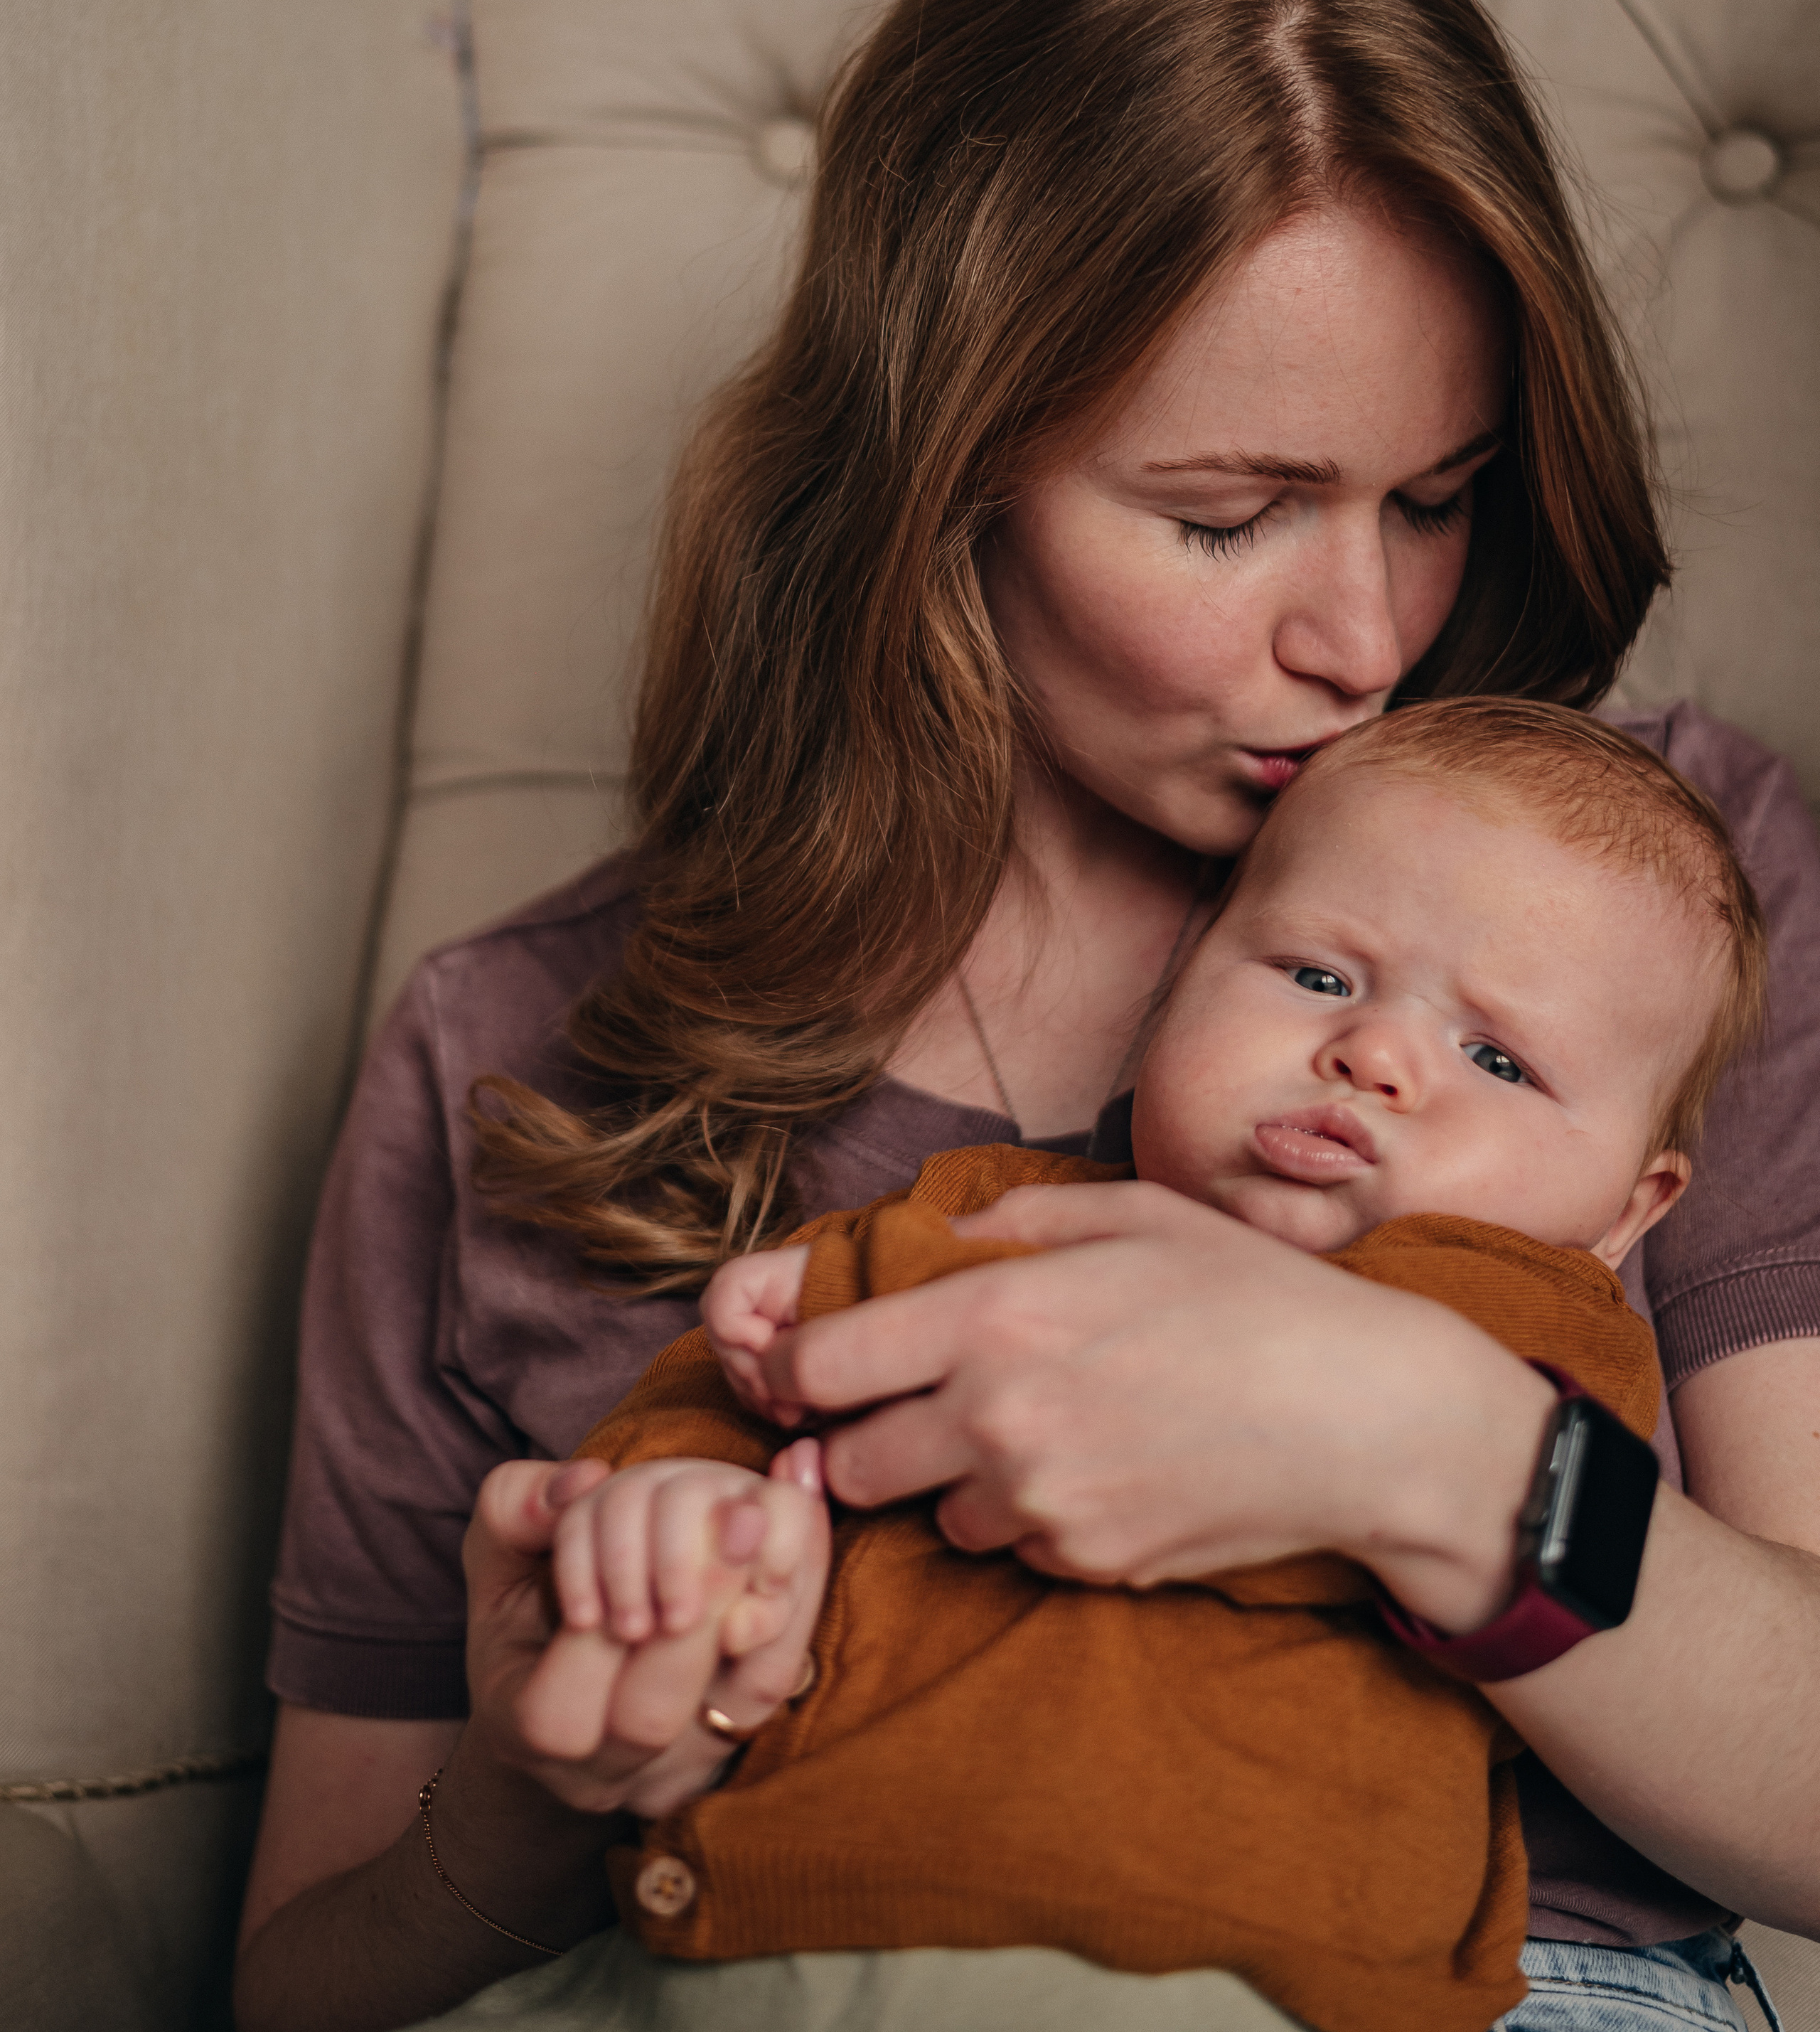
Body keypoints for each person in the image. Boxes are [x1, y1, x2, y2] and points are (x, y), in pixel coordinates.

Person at [232, 0, 1820, 2032]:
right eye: (1227, 514)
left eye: (1435, 497)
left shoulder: (1647, 897)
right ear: (942, 465)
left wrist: (1443, 1457)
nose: (1368, 640)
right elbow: (300, 1981)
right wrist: (540, 1787)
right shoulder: (519, 1050)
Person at [535, 702, 1762, 2032]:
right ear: (1179, 982)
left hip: (1243, 1979)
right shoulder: (983, 1205)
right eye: (1317, 977)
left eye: (1497, 1059)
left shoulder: (1530, 1330)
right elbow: (715, 1402)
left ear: (1628, 1208)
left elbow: (1392, 1486)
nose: (1374, 1056)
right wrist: (674, 1513)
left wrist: (859, 1292)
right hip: (771, 1927)